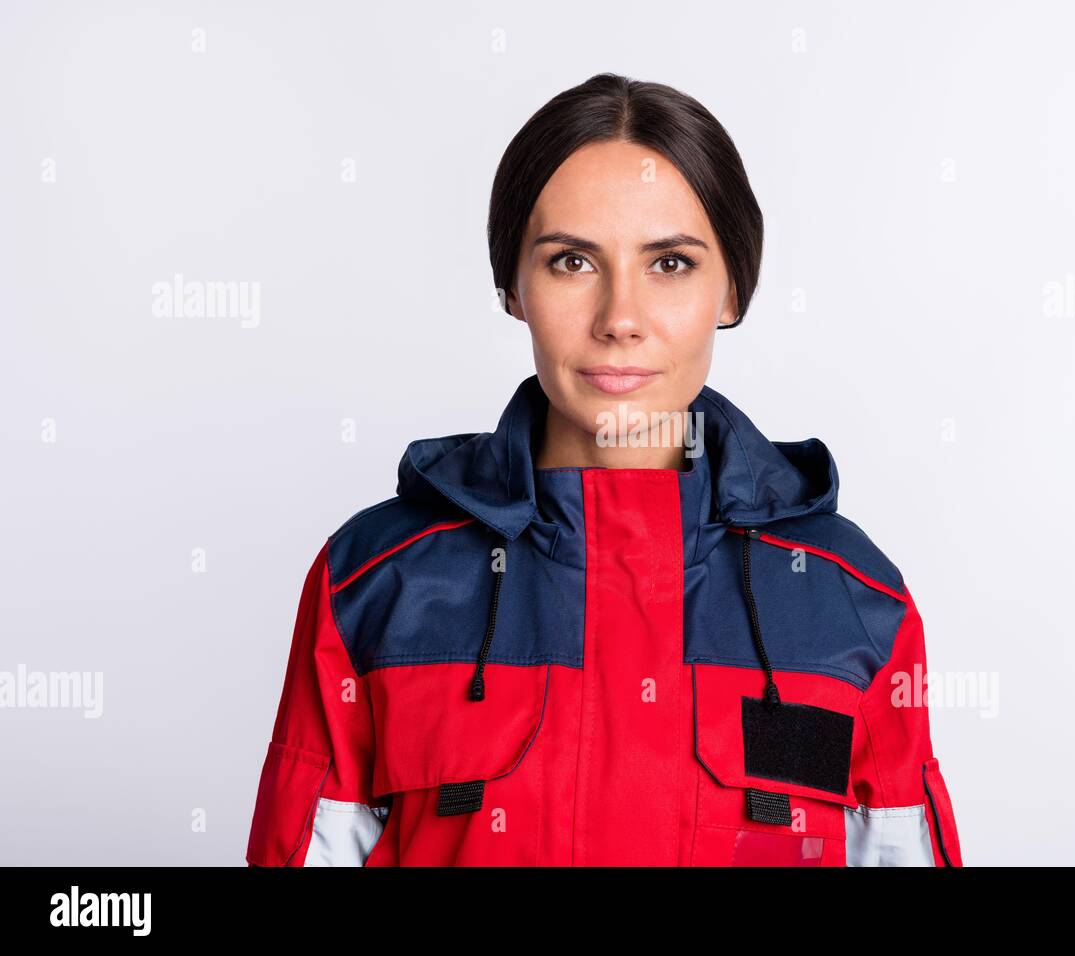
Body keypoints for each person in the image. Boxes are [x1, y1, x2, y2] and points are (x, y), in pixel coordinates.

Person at [245, 72, 962, 867]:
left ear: (733, 288)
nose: (620, 318)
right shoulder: (376, 582)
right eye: (572, 262)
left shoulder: (850, 596)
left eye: (671, 265)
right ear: (513, 287)